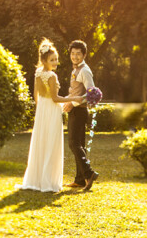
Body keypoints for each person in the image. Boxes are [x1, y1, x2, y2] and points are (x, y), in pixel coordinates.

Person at [20, 39, 81, 192]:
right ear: (44, 60)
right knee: (51, 144)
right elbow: (55, 98)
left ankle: (38, 179)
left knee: (41, 143)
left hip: (42, 110)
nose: (55, 62)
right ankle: (48, 182)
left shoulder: (38, 73)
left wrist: (41, 109)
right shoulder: (52, 76)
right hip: (52, 111)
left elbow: (36, 95)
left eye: (56, 59)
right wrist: (74, 98)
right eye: (52, 60)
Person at [62, 39, 99, 190]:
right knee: (79, 144)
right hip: (75, 110)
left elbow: (92, 93)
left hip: (79, 111)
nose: (75, 56)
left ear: (84, 54)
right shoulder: (76, 69)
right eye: (73, 53)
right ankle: (80, 179)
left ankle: (89, 173)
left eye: (78, 54)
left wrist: (73, 103)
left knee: (73, 143)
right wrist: (66, 100)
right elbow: (76, 92)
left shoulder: (84, 70)